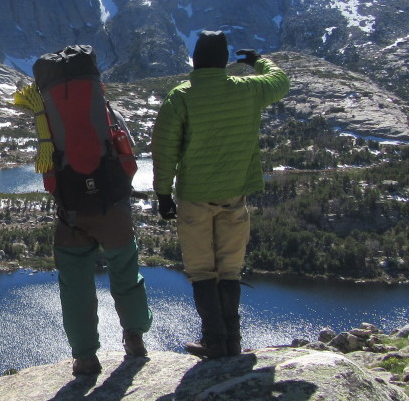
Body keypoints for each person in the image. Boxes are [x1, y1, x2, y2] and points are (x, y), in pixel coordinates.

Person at [150, 30, 290, 359]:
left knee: (201, 270)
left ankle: (214, 340)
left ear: (195, 61)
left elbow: (165, 150)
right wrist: (259, 61)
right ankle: (233, 342)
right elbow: (280, 81)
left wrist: (162, 194)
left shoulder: (181, 96)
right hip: (235, 196)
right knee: (229, 270)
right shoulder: (248, 89)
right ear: (225, 61)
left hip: (194, 199)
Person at [52, 166, 153, 378]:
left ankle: (85, 357)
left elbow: (48, 176)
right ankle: (135, 337)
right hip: (114, 209)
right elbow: (128, 162)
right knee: (126, 273)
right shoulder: (110, 129)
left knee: (76, 288)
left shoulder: (50, 130)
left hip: (71, 213)